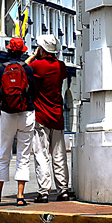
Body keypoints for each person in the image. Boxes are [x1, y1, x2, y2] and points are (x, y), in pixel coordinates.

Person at [0, 35, 36, 207]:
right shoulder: (28, 70)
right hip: (26, 114)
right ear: (23, 52)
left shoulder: (2, 69)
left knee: (4, 154)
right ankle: (20, 196)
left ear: (9, 50)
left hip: (7, 114)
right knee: (23, 156)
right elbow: (33, 92)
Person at [28, 33, 70, 202]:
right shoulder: (61, 66)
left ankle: (44, 191)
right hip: (57, 115)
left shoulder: (36, 66)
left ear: (42, 49)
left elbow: (24, 67)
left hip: (40, 116)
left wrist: (33, 56)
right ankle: (63, 190)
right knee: (59, 155)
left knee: (41, 155)